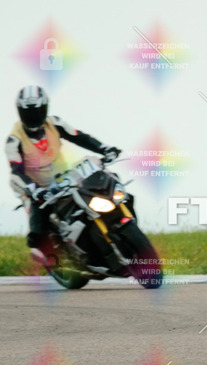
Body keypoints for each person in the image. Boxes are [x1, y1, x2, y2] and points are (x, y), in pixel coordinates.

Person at [5, 85, 121, 259]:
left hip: (64, 176)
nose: (33, 116)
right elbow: (16, 172)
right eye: (28, 112)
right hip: (35, 185)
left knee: (105, 180)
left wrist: (104, 148)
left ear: (45, 108)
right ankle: (44, 252)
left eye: (37, 111)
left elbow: (79, 137)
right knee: (39, 218)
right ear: (20, 112)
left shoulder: (55, 123)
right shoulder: (14, 140)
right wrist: (35, 189)